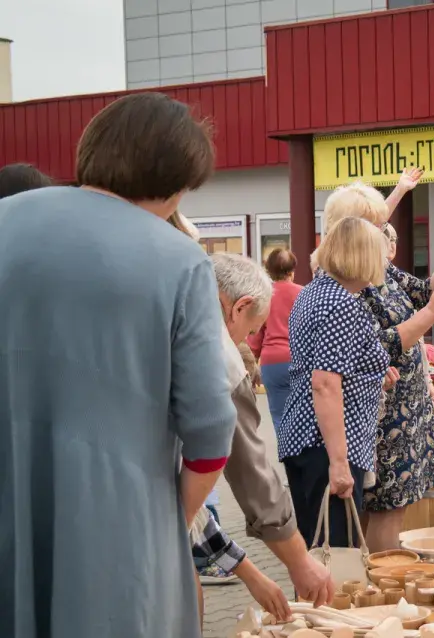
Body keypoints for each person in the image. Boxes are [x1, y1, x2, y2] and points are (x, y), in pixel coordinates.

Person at [0, 93, 237, 637]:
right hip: (115, 530)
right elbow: (210, 431)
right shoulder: (178, 261)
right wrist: (167, 523)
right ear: (177, 182)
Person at [318, 181, 434, 552]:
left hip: (406, 406)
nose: (383, 232)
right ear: (350, 230)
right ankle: (379, 588)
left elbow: (421, 290)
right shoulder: (345, 281)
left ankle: (372, 582)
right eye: (375, 224)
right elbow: (378, 346)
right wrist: (432, 313)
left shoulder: (378, 268)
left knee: (391, 508)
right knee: (387, 508)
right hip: (385, 411)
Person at [211, 252, 336, 606]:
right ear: (238, 307)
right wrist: (298, 561)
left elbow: (181, 506)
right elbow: (252, 473)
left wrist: (248, 571)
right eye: (250, 331)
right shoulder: (220, 358)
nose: (244, 341)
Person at [278, 218, 405, 549]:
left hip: (307, 438)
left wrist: (373, 378)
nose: (384, 261)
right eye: (379, 253)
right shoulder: (341, 303)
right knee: (333, 557)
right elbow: (324, 383)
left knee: (317, 552)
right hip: (325, 444)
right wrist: (339, 463)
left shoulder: (316, 292)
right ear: (362, 256)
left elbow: (327, 371)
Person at [248, 248, 303, 430]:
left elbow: (255, 335)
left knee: (279, 416)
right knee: (303, 413)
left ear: (268, 270)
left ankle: (287, 455)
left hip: (271, 363)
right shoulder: (303, 294)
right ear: (292, 271)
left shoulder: (264, 296)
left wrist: (252, 362)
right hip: (299, 360)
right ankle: (301, 454)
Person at [383, 222, 434, 404]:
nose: (392, 244)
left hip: (413, 386)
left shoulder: (395, 276)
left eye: (394, 239)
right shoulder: (358, 284)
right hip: (386, 386)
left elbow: (425, 292)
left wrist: (427, 379)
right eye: (386, 237)